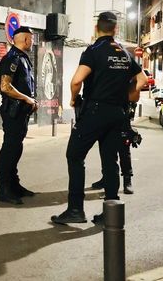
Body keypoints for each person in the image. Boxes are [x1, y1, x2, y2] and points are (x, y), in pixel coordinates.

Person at [52, 12, 146, 224]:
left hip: (95, 111)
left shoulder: (93, 51)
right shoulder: (124, 53)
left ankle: (76, 209)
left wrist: (74, 99)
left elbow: (77, 81)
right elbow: (142, 79)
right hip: (118, 114)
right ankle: (111, 213)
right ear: (116, 30)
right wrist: (125, 96)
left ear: (97, 29)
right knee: (110, 160)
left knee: (75, 155)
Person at [0, 26, 38, 204]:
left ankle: (14, 184)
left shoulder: (22, 58)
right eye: (31, 38)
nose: (33, 41)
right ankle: (4, 188)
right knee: (10, 149)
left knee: (16, 148)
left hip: (21, 112)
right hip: (13, 111)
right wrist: (27, 99)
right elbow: (5, 87)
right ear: (26, 40)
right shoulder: (12, 58)